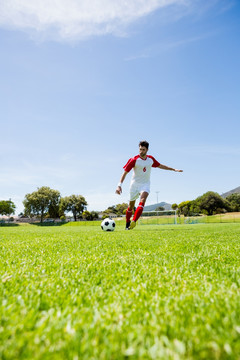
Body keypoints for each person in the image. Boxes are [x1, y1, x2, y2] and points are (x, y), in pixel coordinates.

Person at [115, 140, 183, 230]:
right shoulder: (134, 160)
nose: (141, 151)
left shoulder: (150, 159)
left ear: (147, 150)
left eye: (143, 149)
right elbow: (125, 173)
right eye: (140, 149)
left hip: (145, 185)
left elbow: (160, 166)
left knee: (142, 201)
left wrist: (173, 169)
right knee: (130, 206)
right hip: (134, 185)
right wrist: (119, 185)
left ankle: (134, 221)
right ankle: (127, 222)